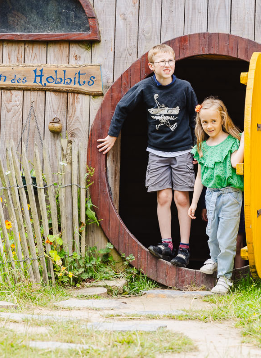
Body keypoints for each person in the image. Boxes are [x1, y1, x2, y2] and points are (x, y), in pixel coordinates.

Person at [97, 44, 199, 267]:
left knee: (182, 199)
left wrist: (196, 147)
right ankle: (167, 245)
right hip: (157, 152)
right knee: (163, 198)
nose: (167, 65)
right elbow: (122, 107)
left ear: (174, 63)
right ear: (152, 66)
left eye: (170, 61)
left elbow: (194, 117)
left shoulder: (184, 88)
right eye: (161, 61)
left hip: (182, 151)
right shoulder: (144, 88)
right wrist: (113, 136)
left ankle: (184, 249)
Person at [188, 97, 244, 294]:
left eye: (213, 121)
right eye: (205, 122)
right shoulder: (202, 146)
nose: (209, 126)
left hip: (230, 195)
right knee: (211, 234)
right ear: (200, 123)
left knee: (226, 238)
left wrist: (244, 140)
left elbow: (236, 163)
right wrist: (194, 202)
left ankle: (225, 278)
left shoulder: (231, 142)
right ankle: (213, 259)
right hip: (211, 195)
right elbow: (200, 178)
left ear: (222, 119)